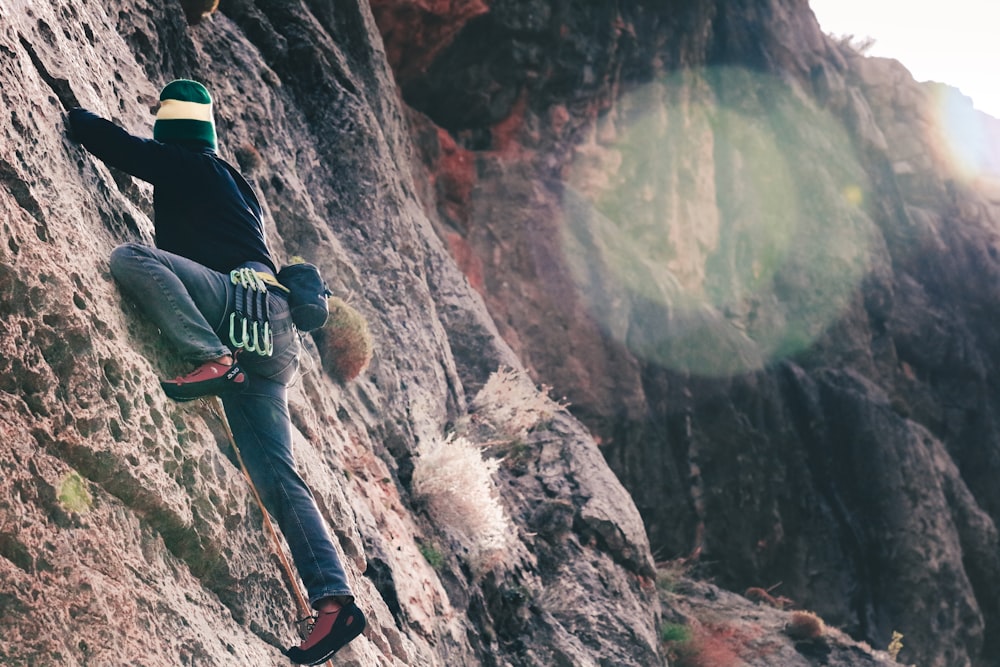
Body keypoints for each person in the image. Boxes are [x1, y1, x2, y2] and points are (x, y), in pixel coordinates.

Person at [67, 79, 365, 665]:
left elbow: (118, 148)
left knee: (134, 258)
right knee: (280, 477)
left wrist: (71, 109)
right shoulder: (240, 188)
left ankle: (212, 358)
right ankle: (334, 603)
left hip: (233, 308)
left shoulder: (192, 166)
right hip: (276, 340)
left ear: (174, 132)